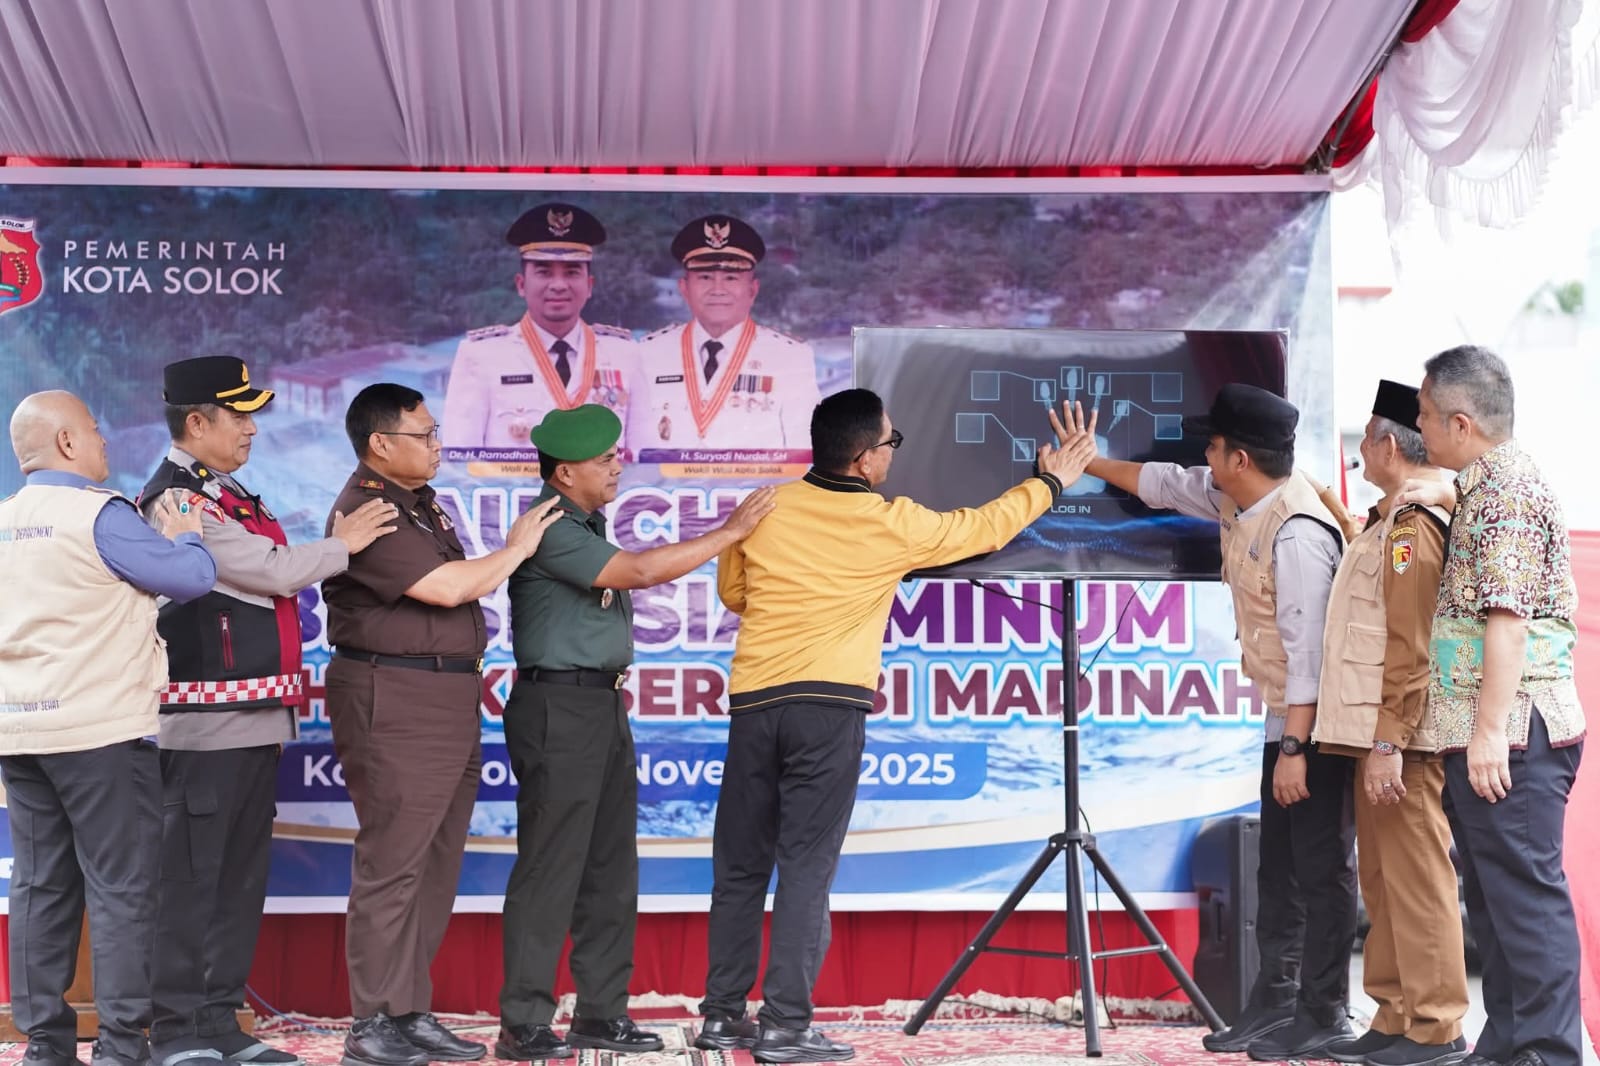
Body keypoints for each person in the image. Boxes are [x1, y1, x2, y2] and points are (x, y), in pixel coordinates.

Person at [696, 388, 1098, 1064]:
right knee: (804, 870)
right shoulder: (891, 524)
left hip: (755, 704)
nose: (894, 453)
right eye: (891, 443)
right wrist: (1051, 482)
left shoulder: (764, 508)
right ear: (861, 459)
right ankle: (787, 1028)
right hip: (827, 709)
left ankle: (722, 1017)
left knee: (739, 868)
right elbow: (984, 527)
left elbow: (736, 594)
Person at [1064, 384, 1360, 1060]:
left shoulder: (1298, 534)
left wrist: (1294, 747)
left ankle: (1326, 1013)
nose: (1205, 452)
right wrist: (1090, 463)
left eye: (1214, 444)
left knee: (1321, 870)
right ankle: (1275, 1002)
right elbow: (1165, 483)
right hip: (1282, 719)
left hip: (1312, 726)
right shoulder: (1239, 494)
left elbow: (1311, 654)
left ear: (1241, 457)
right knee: (1278, 870)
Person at [136, 356, 399, 1066]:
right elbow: (269, 570)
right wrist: (346, 546)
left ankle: (221, 1023)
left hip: (252, 719)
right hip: (201, 729)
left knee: (238, 879)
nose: (251, 427)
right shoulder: (177, 501)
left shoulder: (227, 491)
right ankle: (178, 1032)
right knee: (193, 881)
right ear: (197, 422)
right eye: (238, 414)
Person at [495, 405, 777, 1061]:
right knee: (550, 867)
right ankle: (524, 1020)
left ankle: (600, 1012)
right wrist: (731, 532)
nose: (618, 464)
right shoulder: (554, 525)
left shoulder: (586, 524)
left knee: (610, 869)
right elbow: (643, 572)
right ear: (565, 472)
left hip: (599, 708)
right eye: (604, 459)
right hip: (557, 707)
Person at [321, 383, 563, 1066]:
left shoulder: (417, 504)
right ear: (380, 444)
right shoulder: (369, 510)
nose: (436, 445)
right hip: (394, 694)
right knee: (393, 862)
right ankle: (371, 1022)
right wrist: (517, 547)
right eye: (423, 435)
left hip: (445, 693)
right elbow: (450, 588)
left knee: (434, 863)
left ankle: (407, 1010)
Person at [0, 391, 216, 1066]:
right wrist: (185, 529)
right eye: (94, 431)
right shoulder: (100, 514)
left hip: (21, 732)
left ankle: (45, 1045)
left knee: (40, 885)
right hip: (99, 732)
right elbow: (191, 579)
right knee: (121, 889)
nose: (104, 443)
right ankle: (123, 1046)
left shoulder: (4, 520)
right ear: (67, 443)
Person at [1407, 345, 1584, 1066]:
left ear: (1459, 423)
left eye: (1423, 415)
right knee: (1496, 906)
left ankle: (1545, 1054)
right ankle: (1508, 1044)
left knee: (1527, 907)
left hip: (1513, 735)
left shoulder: (1506, 494)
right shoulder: (1486, 486)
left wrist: (1486, 735)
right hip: (1493, 735)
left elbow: (1506, 621)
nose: (1418, 429)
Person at [1308, 381, 1467, 1066]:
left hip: (1404, 738)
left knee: (1415, 877)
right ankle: (1395, 1011)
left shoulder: (1413, 527)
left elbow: (1410, 642)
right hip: (1378, 735)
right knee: (1381, 876)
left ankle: (1436, 1026)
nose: (1359, 451)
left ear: (1388, 444)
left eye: (1365, 438)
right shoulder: (1387, 520)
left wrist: (1387, 742)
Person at [441, 203, 640, 459]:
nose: (558, 285)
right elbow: (460, 463)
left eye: (571, 272)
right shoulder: (480, 355)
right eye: (544, 272)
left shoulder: (625, 354)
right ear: (521, 284)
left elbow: (643, 460)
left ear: (589, 285)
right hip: (516, 499)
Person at [629, 213, 820, 457]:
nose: (717, 290)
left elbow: (805, 454)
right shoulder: (647, 353)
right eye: (705, 277)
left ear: (753, 289)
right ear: (684, 288)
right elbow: (633, 453)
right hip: (663, 493)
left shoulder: (790, 356)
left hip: (759, 494)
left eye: (731, 278)